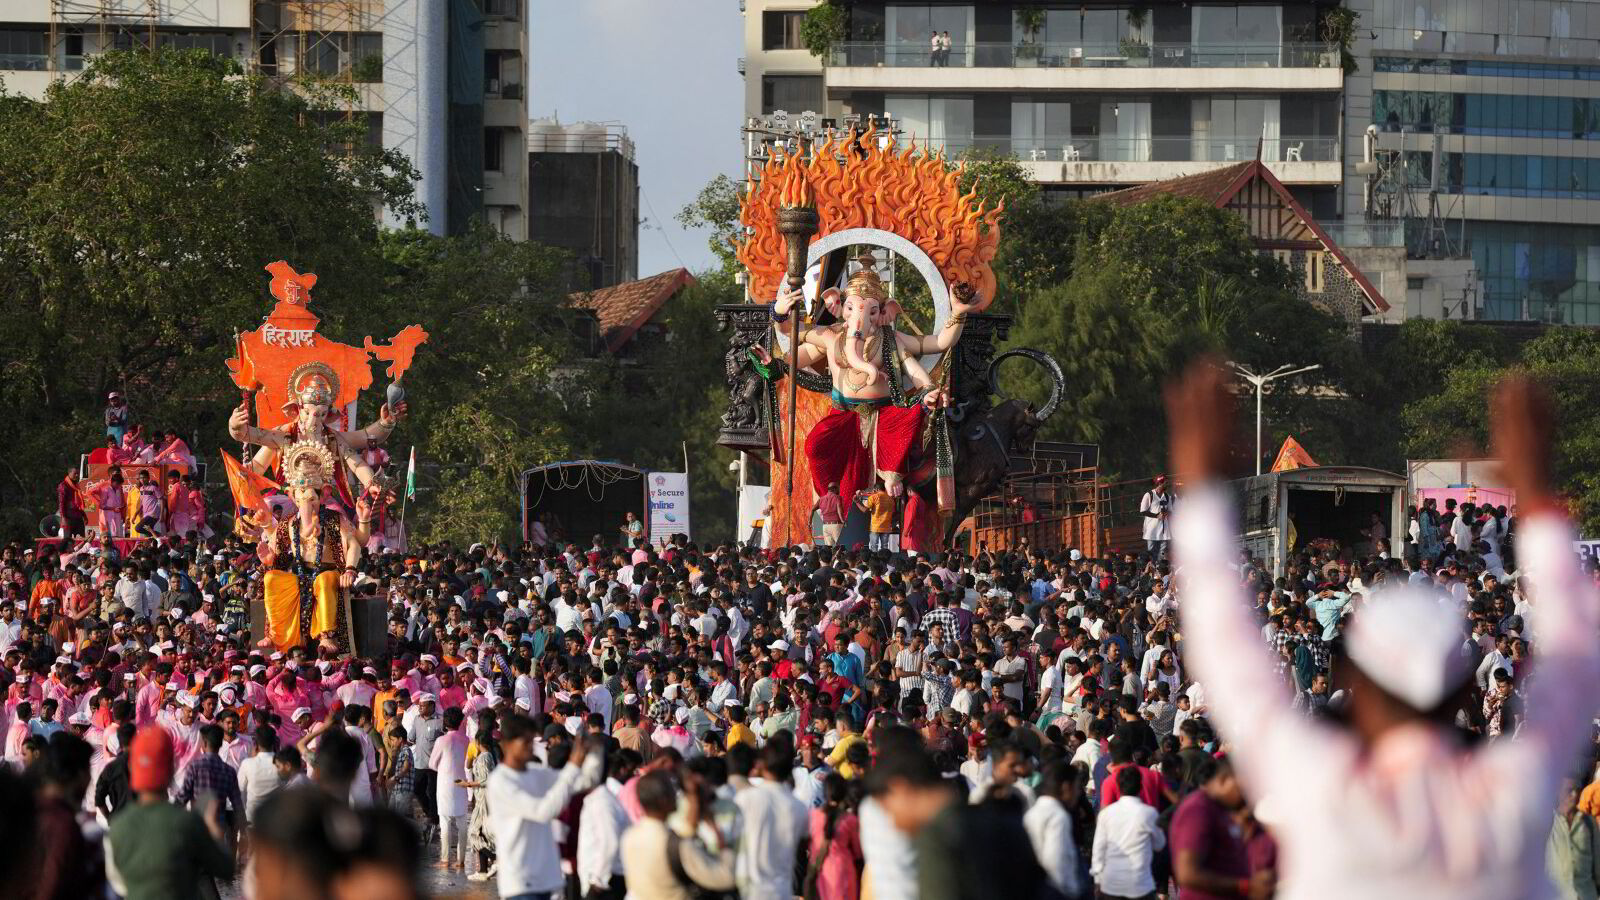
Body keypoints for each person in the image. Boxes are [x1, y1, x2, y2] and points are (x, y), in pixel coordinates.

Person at [1167, 363, 1600, 897]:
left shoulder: (1315, 784)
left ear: (1357, 682)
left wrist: (1203, 492)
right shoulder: (1513, 792)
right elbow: (1579, 658)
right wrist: (1537, 491)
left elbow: (1225, 650)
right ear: (1467, 687)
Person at [106, 726, 234, 900]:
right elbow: (225, 869)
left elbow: (117, 884)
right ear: (171, 769)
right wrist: (214, 830)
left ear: (133, 769)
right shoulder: (188, 823)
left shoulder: (117, 828)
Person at [487, 713, 602, 900]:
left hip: (548, 880)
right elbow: (543, 811)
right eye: (525, 742)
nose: (531, 747)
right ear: (506, 744)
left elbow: (585, 781)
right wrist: (573, 766)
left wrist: (594, 750)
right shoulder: (500, 781)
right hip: (521, 883)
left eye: (532, 741)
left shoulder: (536, 772)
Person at [621, 768, 737, 900]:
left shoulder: (629, 837)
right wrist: (723, 844)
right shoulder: (678, 846)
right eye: (673, 790)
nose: (677, 795)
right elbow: (725, 878)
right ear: (663, 800)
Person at [1092, 765, 1165, 900]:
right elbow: (1160, 844)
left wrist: (1097, 880)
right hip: (1141, 886)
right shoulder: (1149, 814)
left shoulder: (1106, 814)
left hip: (1110, 885)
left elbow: (1098, 850)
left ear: (1118, 787)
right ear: (1140, 787)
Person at [1024, 757, 1085, 898]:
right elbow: (1056, 865)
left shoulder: (1034, 810)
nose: (1078, 793)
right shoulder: (1058, 817)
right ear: (1065, 787)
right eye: (1076, 787)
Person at [807, 772, 862, 900]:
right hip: (844, 870)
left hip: (821, 870)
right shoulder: (850, 820)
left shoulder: (813, 816)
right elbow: (858, 852)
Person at [464, 710, 501, 882]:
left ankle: (496, 859)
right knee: (482, 834)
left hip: (484, 800)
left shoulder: (485, 757)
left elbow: (487, 779)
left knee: (474, 833)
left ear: (478, 742)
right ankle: (483, 870)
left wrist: (468, 784)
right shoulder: (489, 753)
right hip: (483, 798)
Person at [431, 706, 470, 870]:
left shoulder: (441, 740)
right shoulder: (467, 739)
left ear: (445, 722)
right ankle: (461, 860)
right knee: (462, 823)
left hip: (445, 784)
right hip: (462, 783)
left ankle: (445, 859)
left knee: (445, 822)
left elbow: (432, 764)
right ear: (461, 721)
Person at [1139, 475, 1173, 562]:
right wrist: (1156, 515)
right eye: (1166, 482)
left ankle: (1161, 569)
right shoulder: (1149, 495)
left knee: (1163, 551)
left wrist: (1166, 514)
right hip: (1151, 529)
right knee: (1151, 551)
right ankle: (1152, 569)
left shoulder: (1167, 496)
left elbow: (1170, 510)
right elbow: (1143, 511)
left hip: (1164, 529)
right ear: (1160, 483)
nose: (1167, 484)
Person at [856, 487, 897, 553]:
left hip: (876, 527)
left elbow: (865, 510)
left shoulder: (874, 497)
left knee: (874, 547)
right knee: (884, 547)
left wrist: (857, 502)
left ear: (876, 489)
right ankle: (884, 561)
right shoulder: (891, 499)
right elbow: (894, 512)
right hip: (886, 527)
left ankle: (875, 562)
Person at [57, 469, 86, 539]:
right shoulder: (63, 485)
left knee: (81, 539)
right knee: (67, 540)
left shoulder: (76, 485)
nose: (77, 475)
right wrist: (63, 518)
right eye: (75, 473)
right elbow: (61, 502)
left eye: (77, 474)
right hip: (68, 517)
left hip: (78, 516)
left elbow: (78, 503)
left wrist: (84, 515)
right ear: (69, 473)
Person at [817, 482, 847, 547]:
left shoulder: (821, 499)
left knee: (828, 548)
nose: (839, 490)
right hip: (836, 525)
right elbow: (839, 509)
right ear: (834, 489)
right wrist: (842, 520)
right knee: (840, 547)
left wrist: (809, 521)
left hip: (825, 526)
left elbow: (813, 509)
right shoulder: (837, 497)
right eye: (838, 489)